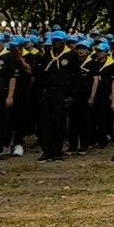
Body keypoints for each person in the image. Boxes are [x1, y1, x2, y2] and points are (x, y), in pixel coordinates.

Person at [37, 31, 76, 161]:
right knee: (46, 123)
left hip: (62, 92)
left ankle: (57, 151)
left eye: (58, 40)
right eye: (54, 40)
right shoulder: (48, 55)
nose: (56, 43)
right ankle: (46, 151)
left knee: (59, 123)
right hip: (48, 91)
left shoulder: (71, 55)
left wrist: (72, 95)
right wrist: (40, 92)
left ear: (64, 41)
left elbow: (76, 77)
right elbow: (41, 75)